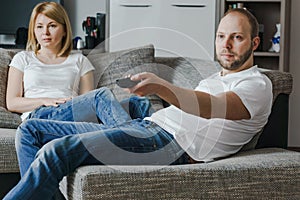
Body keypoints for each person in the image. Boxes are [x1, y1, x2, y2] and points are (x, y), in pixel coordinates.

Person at [3, 8, 273, 200]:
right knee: (31, 130)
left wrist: (162, 87)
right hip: (151, 128)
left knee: (56, 151)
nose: (226, 44)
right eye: (221, 36)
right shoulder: (216, 77)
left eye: (236, 37)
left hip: (171, 145)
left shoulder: (257, 84)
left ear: (254, 42)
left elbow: (213, 106)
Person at [6, 1, 97, 122]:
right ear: (33, 30)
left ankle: (125, 131)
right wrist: (44, 101)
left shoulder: (80, 61)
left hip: (68, 115)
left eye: (52, 25)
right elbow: (12, 103)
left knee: (102, 96)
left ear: (64, 30)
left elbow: (87, 105)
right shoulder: (22, 59)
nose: (45, 32)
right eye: (39, 26)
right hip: (38, 116)